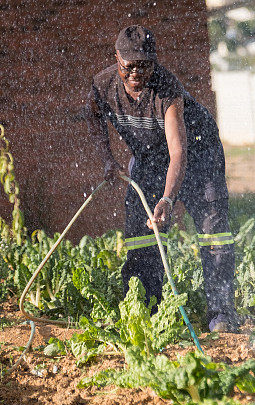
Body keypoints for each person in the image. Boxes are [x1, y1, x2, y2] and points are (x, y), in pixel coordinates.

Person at [86, 25, 237, 333]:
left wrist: (167, 199)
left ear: (154, 62)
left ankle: (222, 314)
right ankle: (148, 309)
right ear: (117, 59)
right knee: (143, 233)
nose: (136, 72)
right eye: (129, 65)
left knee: (213, 233)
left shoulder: (167, 89)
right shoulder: (102, 85)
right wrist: (107, 160)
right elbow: (93, 117)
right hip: (150, 157)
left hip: (198, 154)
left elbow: (178, 153)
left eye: (145, 64)